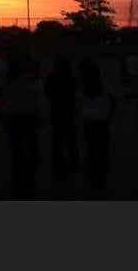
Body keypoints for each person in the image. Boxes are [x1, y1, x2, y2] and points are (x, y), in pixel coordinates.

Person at [2, 47, 40, 198]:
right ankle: (30, 176)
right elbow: (36, 97)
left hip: (14, 116)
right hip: (28, 115)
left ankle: (19, 178)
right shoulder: (30, 78)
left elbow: (6, 98)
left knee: (17, 148)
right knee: (31, 145)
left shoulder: (9, 78)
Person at [79, 57, 115, 195]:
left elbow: (79, 104)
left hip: (88, 120)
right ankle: (101, 175)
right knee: (103, 148)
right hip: (102, 120)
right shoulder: (104, 85)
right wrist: (109, 114)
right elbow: (113, 101)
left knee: (91, 149)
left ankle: (93, 175)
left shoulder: (82, 86)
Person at [44, 55, 79, 183]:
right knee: (70, 135)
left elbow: (46, 92)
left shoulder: (51, 77)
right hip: (68, 109)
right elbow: (75, 92)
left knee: (57, 137)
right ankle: (74, 159)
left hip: (55, 110)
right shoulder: (71, 77)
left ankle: (58, 161)